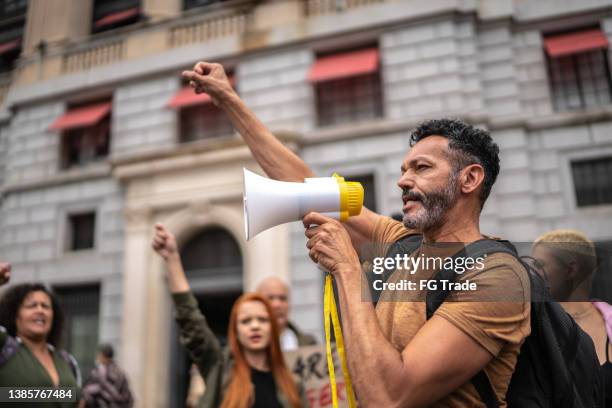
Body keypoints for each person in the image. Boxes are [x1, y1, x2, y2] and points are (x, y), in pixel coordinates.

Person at [182, 62, 531, 407]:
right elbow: (303, 186)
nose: (403, 181)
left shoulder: (496, 277)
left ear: (469, 179)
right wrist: (229, 99)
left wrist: (347, 268)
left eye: (421, 168)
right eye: (403, 169)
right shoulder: (403, 244)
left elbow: (389, 396)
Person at [151, 223, 306, 408]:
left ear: (272, 327)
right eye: (246, 321)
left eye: (262, 320)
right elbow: (190, 320)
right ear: (236, 331)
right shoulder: (219, 368)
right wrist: (172, 259)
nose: (255, 326)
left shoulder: (292, 383)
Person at [532, 229, 611, 406]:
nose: (532, 273)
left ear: (571, 270)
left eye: (539, 264)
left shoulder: (609, 319)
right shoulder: (532, 326)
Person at [0, 262, 81, 408]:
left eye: (45, 306)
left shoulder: (67, 361)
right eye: (32, 306)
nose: (40, 310)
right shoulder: (4, 348)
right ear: (15, 315)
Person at [256, 277, 317, 351]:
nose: (277, 305)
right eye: (270, 298)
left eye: (282, 298)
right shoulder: (244, 347)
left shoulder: (309, 344)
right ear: (257, 304)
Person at [80, 343, 134, 408]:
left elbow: (87, 392)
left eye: (99, 354)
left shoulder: (100, 372)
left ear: (102, 355)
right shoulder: (121, 372)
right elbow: (127, 396)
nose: (97, 357)